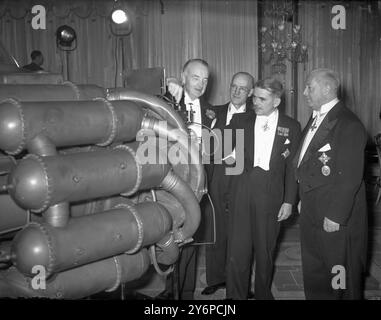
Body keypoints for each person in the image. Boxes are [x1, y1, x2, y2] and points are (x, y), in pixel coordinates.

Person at [294, 68, 368, 299]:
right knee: (315, 272)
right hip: (312, 208)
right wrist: (301, 198)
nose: (304, 92)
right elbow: (307, 161)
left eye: (310, 87)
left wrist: (336, 215)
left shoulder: (348, 123)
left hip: (334, 215)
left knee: (339, 275)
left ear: (327, 89)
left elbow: (350, 176)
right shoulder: (317, 118)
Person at [225, 77, 302, 299]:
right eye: (254, 97)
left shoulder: (291, 126)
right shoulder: (240, 120)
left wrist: (289, 200)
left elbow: (292, 168)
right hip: (242, 190)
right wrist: (231, 187)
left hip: (271, 194)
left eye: (262, 98)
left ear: (276, 101)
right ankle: (234, 297)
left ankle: (262, 294)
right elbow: (224, 155)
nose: (255, 102)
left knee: (265, 251)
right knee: (238, 251)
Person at [157, 58, 214, 300]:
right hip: (171, 185)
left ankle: (186, 293)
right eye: (195, 77)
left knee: (190, 241)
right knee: (169, 236)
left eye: (205, 79)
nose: (201, 84)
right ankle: (171, 290)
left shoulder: (212, 111)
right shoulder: (167, 102)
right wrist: (167, 87)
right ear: (182, 76)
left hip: (198, 187)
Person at [201, 72, 255, 296]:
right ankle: (215, 278)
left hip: (242, 178)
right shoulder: (214, 112)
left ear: (250, 93)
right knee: (215, 228)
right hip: (218, 176)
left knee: (240, 235)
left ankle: (238, 283)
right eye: (234, 86)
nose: (236, 91)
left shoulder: (256, 116)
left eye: (242, 88)